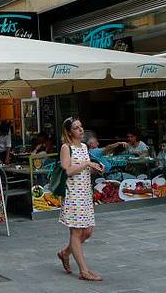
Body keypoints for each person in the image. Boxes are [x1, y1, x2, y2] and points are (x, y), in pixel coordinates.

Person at [57, 117, 104, 282]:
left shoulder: (84, 147)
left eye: (81, 127)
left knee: (88, 231)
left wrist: (95, 168)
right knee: (76, 232)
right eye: (76, 128)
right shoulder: (66, 147)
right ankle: (84, 271)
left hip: (85, 194)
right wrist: (87, 164)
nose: (81, 130)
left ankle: (65, 253)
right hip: (73, 194)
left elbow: (85, 170)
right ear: (69, 132)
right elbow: (68, 170)